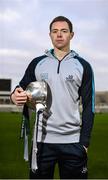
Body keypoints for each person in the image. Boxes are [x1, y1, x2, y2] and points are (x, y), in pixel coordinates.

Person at [10, 16, 95, 179]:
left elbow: (89, 106)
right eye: (55, 31)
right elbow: (20, 87)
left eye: (64, 31)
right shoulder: (37, 63)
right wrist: (15, 95)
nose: (59, 35)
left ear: (72, 35)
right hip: (41, 142)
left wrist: (84, 143)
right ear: (50, 35)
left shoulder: (83, 66)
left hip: (73, 142)